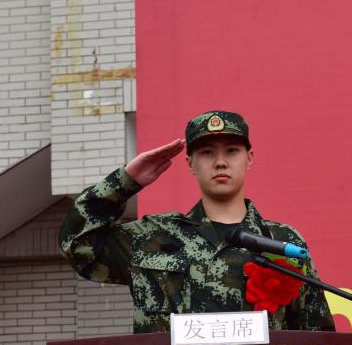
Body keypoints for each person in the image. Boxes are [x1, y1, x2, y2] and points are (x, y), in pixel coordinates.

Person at [59, 110, 335, 333]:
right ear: (190, 163)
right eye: (207, 152)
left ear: (249, 158)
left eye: (232, 151)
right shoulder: (152, 237)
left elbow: (316, 339)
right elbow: (77, 244)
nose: (220, 162)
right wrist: (125, 181)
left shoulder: (282, 242)